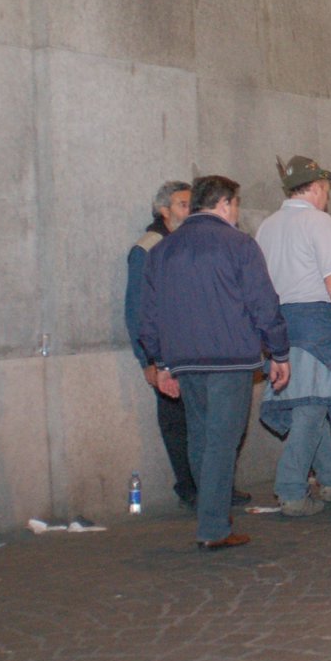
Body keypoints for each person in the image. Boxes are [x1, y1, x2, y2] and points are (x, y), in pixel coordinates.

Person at [140, 175, 290, 551]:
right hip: (230, 358)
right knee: (223, 441)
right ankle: (213, 526)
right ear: (224, 203)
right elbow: (263, 303)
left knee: (201, 439)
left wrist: (161, 363)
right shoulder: (239, 245)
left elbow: (149, 315)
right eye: (236, 204)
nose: (237, 213)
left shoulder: (162, 251)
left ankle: (208, 513)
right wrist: (279, 351)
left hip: (184, 361)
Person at [255, 156, 331, 516]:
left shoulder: (267, 226)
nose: (327, 197)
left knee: (313, 403)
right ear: (317, 187)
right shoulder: (318, 221)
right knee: (312, 407)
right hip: (315, 324)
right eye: (326, 190)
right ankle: (290, 490)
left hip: (277, 325)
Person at [126, 180, 201, 510]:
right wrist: (148, 360)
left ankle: (211, 485)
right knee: (177, 423)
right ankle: (189, 486)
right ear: (163, 210)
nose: (190, 210)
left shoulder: (191, 244)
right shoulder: (149, 248)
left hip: (195, 348)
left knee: (203, 421)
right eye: (183, 204)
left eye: (192, 204)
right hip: (166, 351)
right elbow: (137, 308)